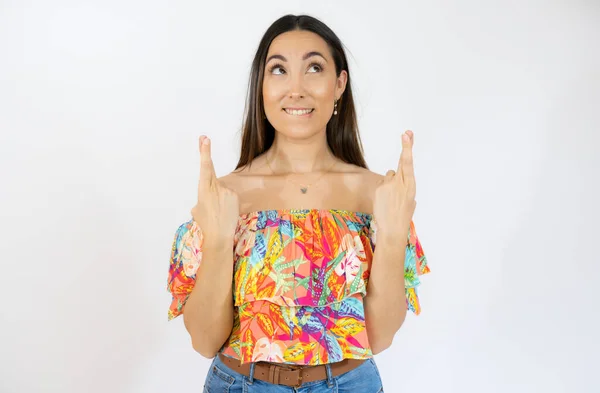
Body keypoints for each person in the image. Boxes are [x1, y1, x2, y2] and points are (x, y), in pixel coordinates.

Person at [167, 14, 430, 393]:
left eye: (314, 68)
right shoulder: (224, 196)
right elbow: (205, 341)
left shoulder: (379, 196)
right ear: (261, 85)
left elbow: (381, 337)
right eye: (278, 70)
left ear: (339, 84)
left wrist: (392, 236)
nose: (296, 89)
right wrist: (221, 241)